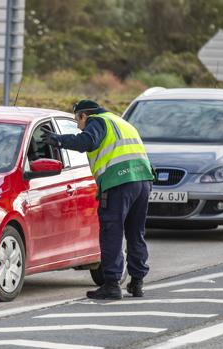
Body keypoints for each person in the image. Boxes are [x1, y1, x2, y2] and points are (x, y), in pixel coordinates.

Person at [41, 99, 154, 299]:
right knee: (136, 233)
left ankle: (111, 284)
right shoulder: (121, 122)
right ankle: (137, 283)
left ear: (85, 115)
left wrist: (58, 140)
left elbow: (87, 141)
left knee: (112, 232)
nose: (78, 125)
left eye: (78, 120)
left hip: (118, 181)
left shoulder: (98, 121)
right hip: (143, 180)